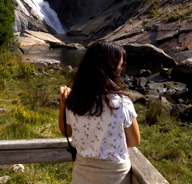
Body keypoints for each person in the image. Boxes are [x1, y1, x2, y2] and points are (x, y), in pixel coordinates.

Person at [59, 40, 141, 184]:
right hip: (115, 176)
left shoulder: (75, 101)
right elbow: (135, 141)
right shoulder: (122, 103)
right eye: (120, 65)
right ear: (110, 67)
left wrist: (63, 104)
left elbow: (66, 131)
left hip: (82, 173)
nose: (122, 69)